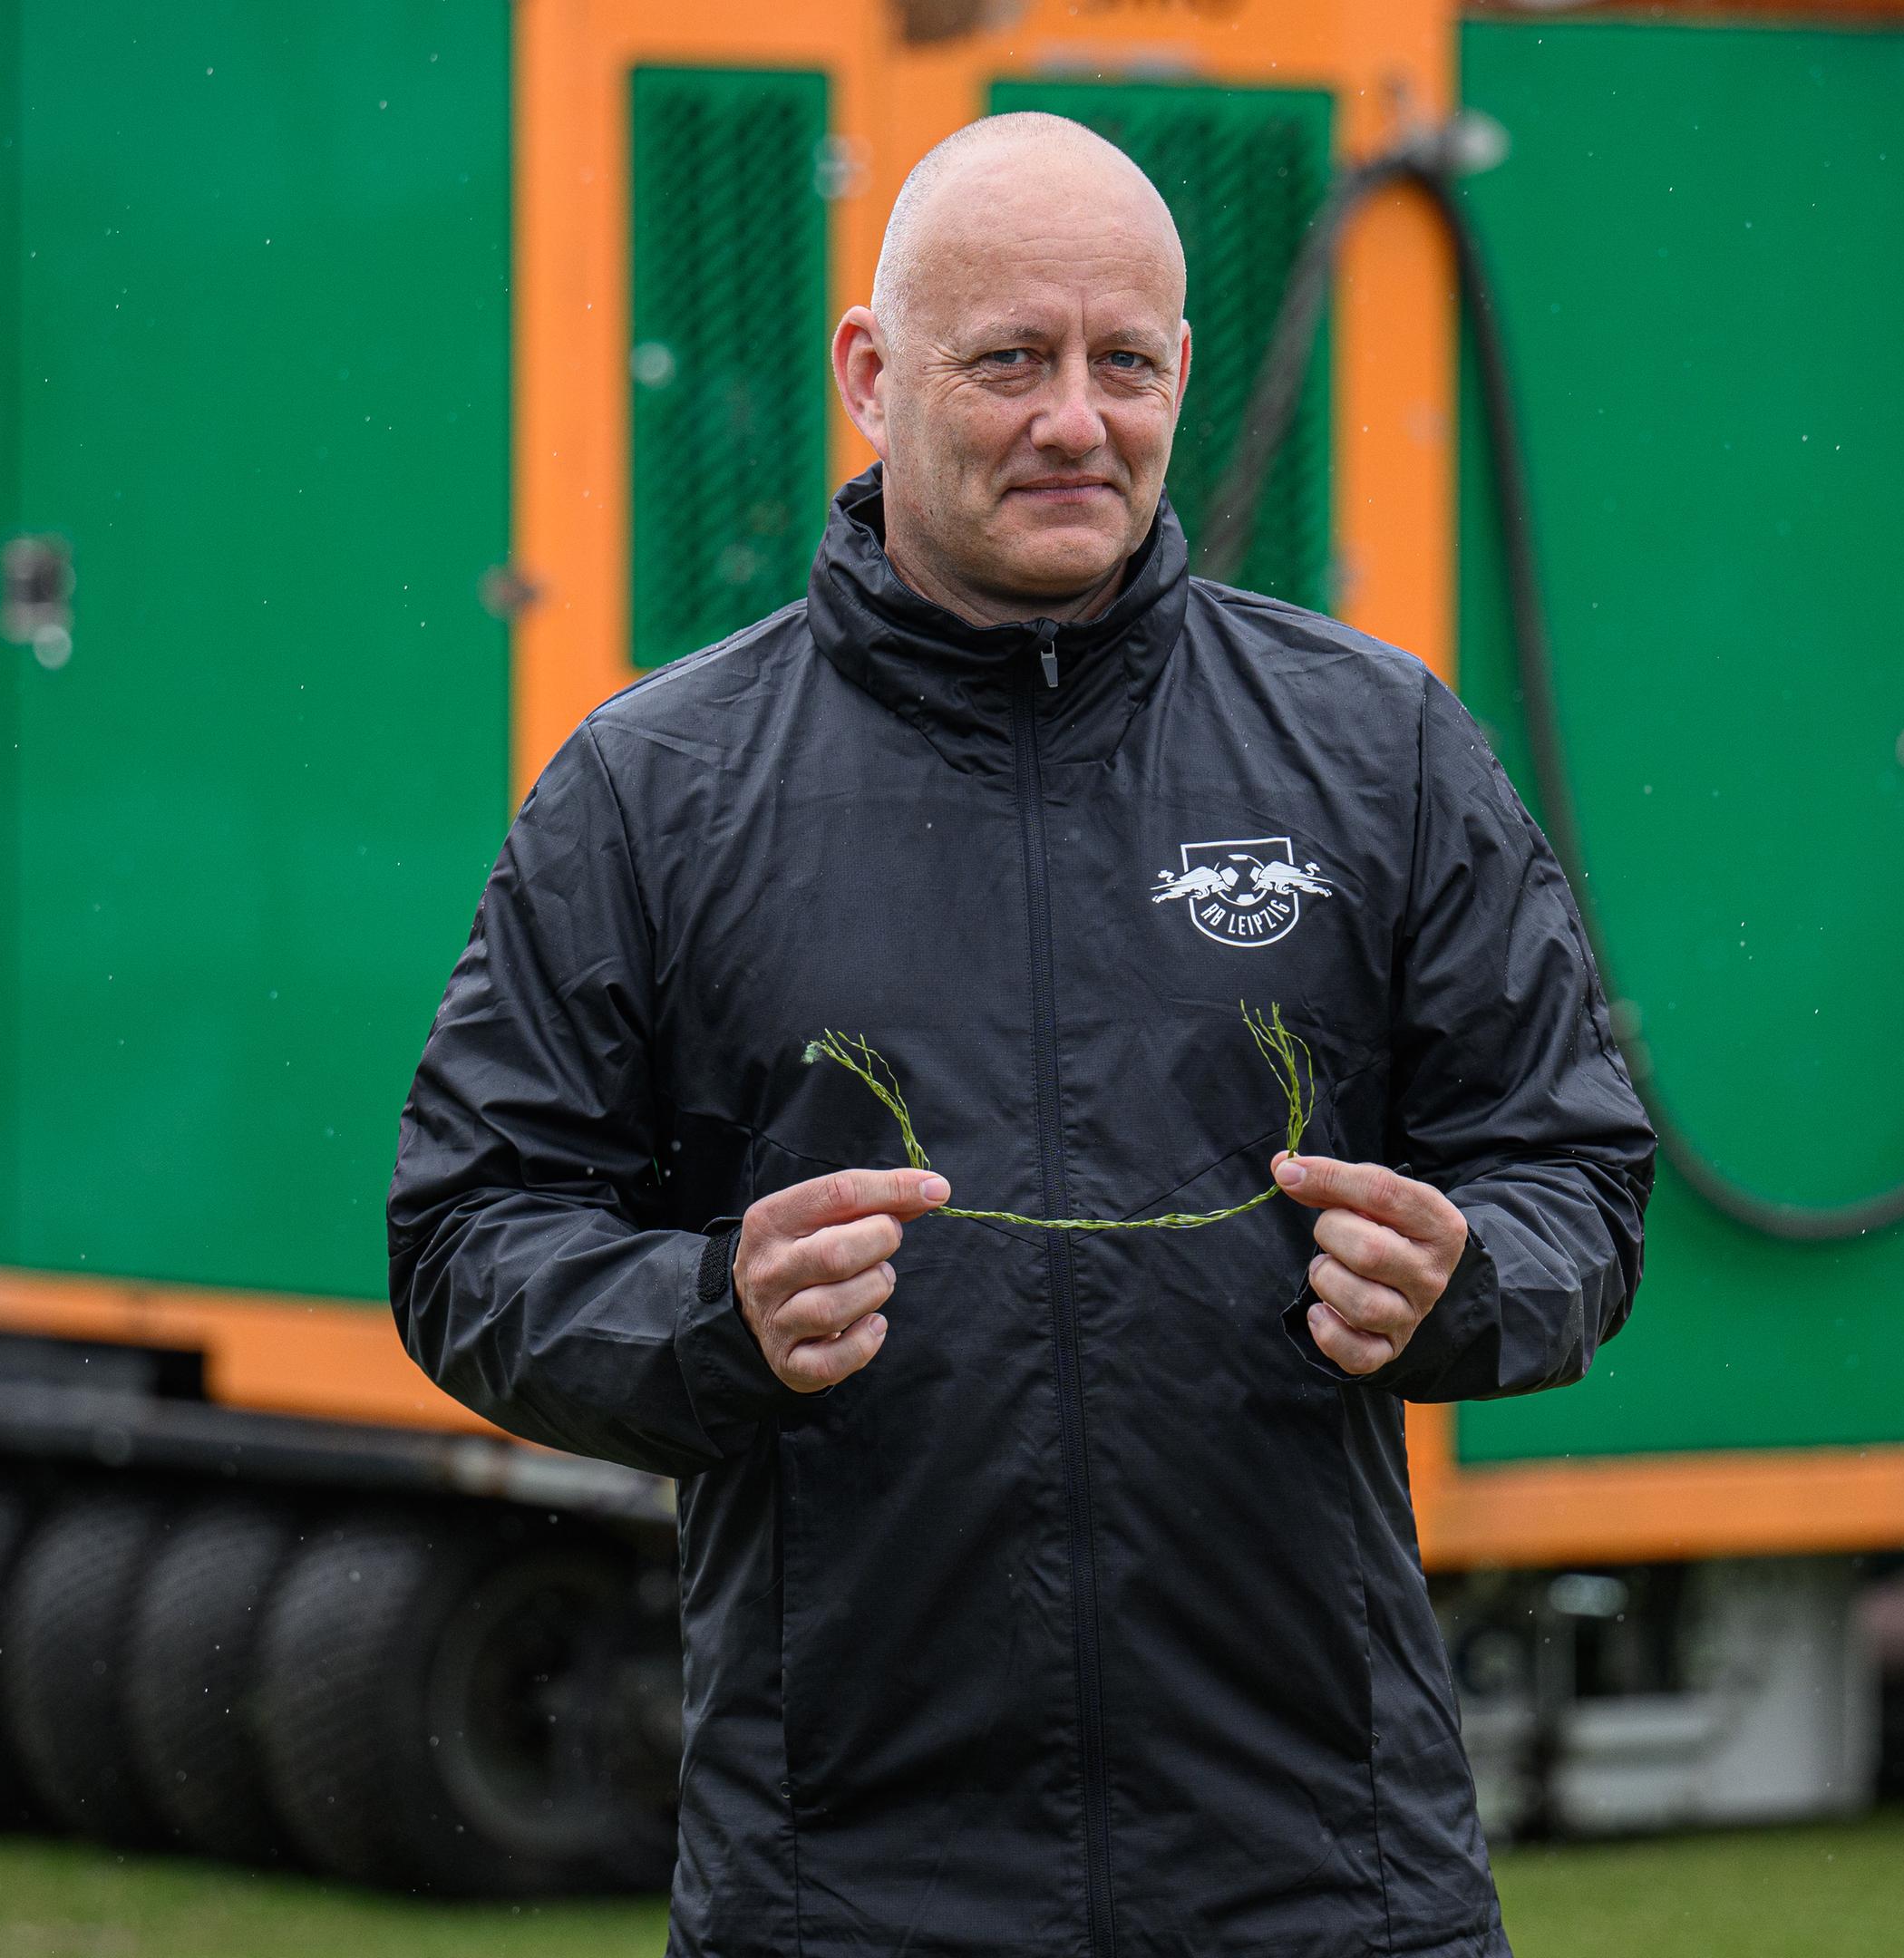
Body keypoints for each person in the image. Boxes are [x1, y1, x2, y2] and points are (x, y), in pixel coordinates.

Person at [392, 112, 1653, 1957]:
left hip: (1320, 1882)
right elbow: (467, 1237)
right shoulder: (655, 791)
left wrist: (1469, 1282)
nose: (1078, 417)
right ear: (869, 375)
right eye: (1011, 361)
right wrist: (710, 1325)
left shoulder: (1376, 751)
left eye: (1122, 361)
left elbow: (1578, 1174)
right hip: (846, 1890)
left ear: (1180, 375)